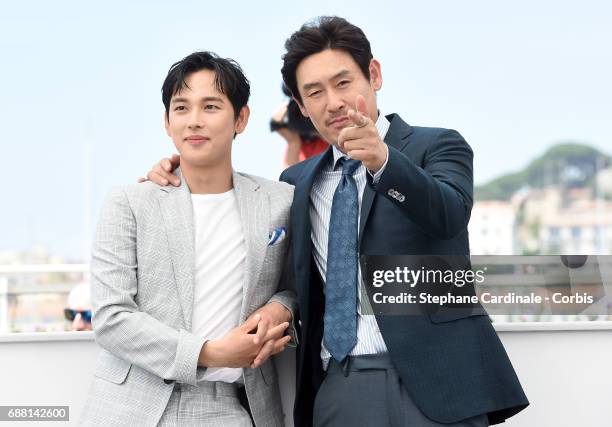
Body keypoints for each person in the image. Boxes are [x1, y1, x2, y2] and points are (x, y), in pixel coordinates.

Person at [146, 17, 529, 427]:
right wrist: (180, 174)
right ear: (301, 106)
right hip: (342, 386)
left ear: (374, 75)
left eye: (343, 83)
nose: (333, 102)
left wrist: (383, 162)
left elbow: (449, 214)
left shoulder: (437, 145)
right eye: (315, 92)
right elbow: (287, 273)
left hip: (439, 381)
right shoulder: (297, 182)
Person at [81, 51, 296, 426]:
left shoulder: (280, 200)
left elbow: (299, 285)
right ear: (167, 122)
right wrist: (209, 353)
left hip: (233, 405)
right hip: (134, 405)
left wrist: (282, 307)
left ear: (240, 119)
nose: (194, 121)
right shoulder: (129, 202)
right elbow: (111, 316)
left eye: (210, 106)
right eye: (181, 108)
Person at [270, 85, 327, 167]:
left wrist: (317, 130)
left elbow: (339, 149)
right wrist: (293, 141)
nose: (302, 112)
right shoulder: (298, 141)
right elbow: (288, 177)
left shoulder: (332, 132)